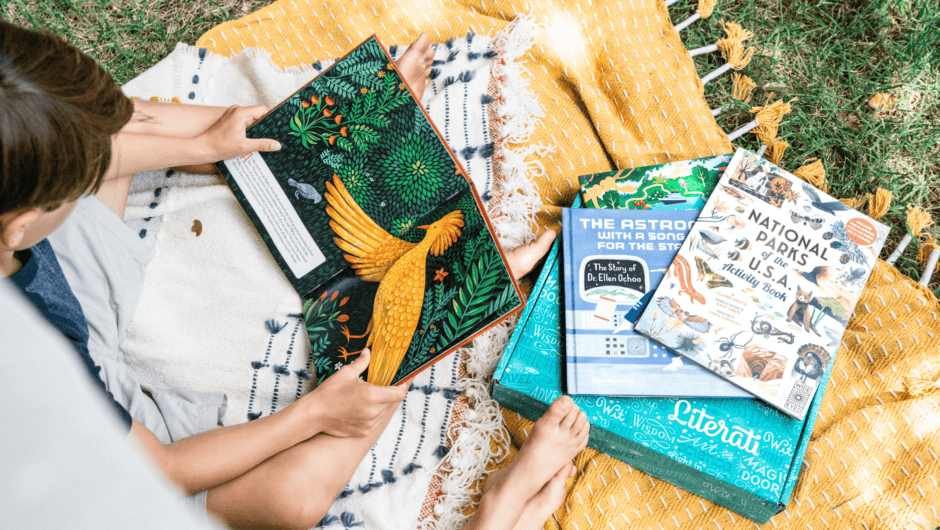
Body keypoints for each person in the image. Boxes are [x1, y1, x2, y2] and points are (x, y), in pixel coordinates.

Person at [0, 20, 565, 529]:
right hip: (92, 444)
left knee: (105, 128)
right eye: (73, 186)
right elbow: (161, 469)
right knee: (290, 500)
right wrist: (315, 413)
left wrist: (208, 143)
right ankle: (446, 303)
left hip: (56, 306)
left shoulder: (21, 240)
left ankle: (322, 147)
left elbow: (110, 131)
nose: (89, 175)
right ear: (21, 226)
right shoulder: (26, 368)